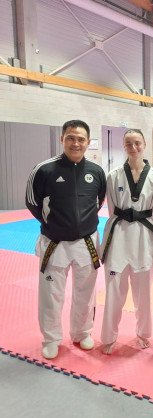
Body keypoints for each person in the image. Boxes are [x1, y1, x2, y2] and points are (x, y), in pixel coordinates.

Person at [25, 119, 107, 360]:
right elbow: (32, 202)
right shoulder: (44, 170)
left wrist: (81, 223)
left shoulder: (96, 171)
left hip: (86, 242)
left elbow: (98, 201)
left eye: (81, 139)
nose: (75, 143)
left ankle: (82, 333)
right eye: (71, 138)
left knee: (86, 292)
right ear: (62, 139)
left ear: (88, 142)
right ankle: (51, 339)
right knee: (51, 294)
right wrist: (54, 224)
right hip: (55, 242)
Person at [100, 129, 153, 354]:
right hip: (118, 234)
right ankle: (109, 336)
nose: (133, 147)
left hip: (144, 235)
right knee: (113, 289)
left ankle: (143, 333)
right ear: (124, 146)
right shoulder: (113, 175)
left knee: (143, 290)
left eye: (137, 143)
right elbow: (111, 209)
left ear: (144, 144)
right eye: (129, 143)